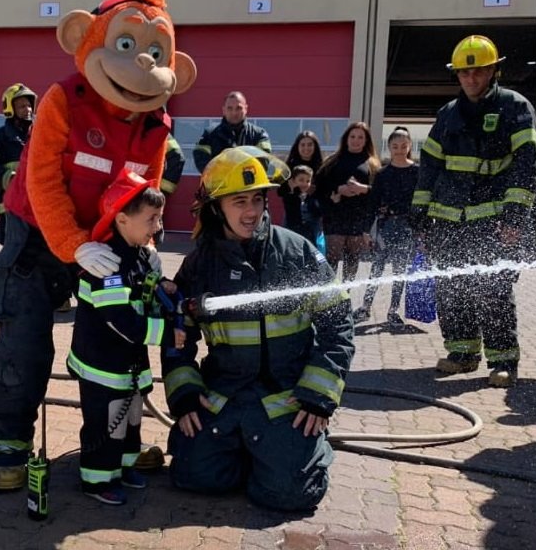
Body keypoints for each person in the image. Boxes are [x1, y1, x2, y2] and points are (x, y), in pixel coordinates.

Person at [0, 0, 196, 491]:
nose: (143, 62)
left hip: (112, 242)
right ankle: (8, 446)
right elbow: (43, 181)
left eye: (155, 51)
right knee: (25, 338)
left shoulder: (156, 123)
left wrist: (144, 253)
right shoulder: (64, 100)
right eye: (127, 45)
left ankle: (121, 439)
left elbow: (149, 191)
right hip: (38, 233)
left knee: (122, 341)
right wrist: (73, 245)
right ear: (86, 38)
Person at [161, 147, 355, 513]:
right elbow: (177, 334)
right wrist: (184, 395)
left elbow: (337, 324)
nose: (251, 212)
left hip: (287, 398)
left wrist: (318, 396)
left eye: (257, 199)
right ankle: (263, 453)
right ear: (217, 206)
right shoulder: (201, 262)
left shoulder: (297, 253)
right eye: (239, 202)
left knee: (290, 495)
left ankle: (295, 451)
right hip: (225, 396)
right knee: (193, 476)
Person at [412, 35, 536, 387]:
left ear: (494, 71)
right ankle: (463, 354)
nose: (471, 79)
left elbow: (526, 165)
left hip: (495, 220)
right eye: (465, 73)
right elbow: (430, 167)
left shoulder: (515, 107)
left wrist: (516, 217)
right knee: (452, 289)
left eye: (478, 72)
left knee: (493, 289)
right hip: (450, 220)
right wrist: (420, 212)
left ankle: (503, 361)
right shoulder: (447, 115)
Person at [68, 170, 184, 505]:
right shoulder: (104, 264)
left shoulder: (144, 255)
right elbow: (120, 319)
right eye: (151, 219)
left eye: (159, 218)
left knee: (132, 416)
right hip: (102, 364)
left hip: (129, 362)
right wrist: (166, 334)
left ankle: (123, 466)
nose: (157, 227)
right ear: (121, 219)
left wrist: (164, 287)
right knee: (108, 422)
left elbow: (146, 287)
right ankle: (97, 479)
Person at [354, 127, 419, 328]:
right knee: (377, 268)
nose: (399, 150)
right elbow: (372, 204)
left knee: (400, 271)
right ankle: (365, 307)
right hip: (386, 227)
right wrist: (366, 231)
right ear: (389, 148)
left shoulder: (418, 172)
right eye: (395, 146)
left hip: (407, 228)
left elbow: (422, 202)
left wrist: (423, 229)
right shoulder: (382, 174)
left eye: (403, 146)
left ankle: (393, 311)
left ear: (409, 147)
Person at [314, 121, 379, 281]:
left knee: (352, 262)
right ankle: (331, 297)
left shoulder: (372, 163)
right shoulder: (332, 161)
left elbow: (380, 192)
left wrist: (363, 188)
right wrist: (337, 189)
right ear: (346, 138)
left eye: (360, 137)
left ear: (366, 141)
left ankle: (347, 297)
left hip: (359, 219)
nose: (356, 140)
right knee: (332, 261)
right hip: (335, 218)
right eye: (353, 136)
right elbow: (319, 187)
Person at [0, 83, 36, 244]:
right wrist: (9, 179)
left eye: (29, 105)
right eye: (22, 106)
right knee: (13, 246)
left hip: (37, 202)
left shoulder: (40, 134)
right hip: (11, 203)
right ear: (10, 109)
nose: (28, 110)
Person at [192, 91, 272, 173]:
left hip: (250, 185)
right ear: (223, 110)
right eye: (230, 108)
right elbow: (202, 162)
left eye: (239, 108)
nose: (234, 113)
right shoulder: (209, 134)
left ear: (246, 109)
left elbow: (263, 162)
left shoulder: (259, 135)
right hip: (220, 185)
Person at [279, 165, 324, 248]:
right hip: (293, 233)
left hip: (310, 234)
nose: (305, 183)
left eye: (308, 181)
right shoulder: (290, 196)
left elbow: (318, 213)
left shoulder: (311, 197)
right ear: (292, 181)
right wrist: (293, 190)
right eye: (301, 180)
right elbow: (292, 214)